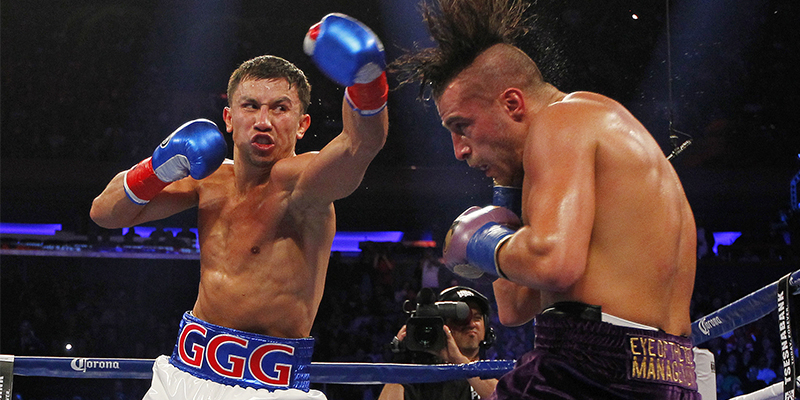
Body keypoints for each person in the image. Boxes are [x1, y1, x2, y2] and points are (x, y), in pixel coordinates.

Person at [390, 0, 700, 398]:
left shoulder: (561, 119)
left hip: (592, 370)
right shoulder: (596, 134)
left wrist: (479, 241)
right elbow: (515, 309)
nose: (459, 150)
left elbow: (553, 263)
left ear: (512, 103)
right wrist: (505, 198)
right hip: (663, 371)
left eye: (461, 126)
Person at [90, 13, 388, 399]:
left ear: (302, 124)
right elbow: (107, 213)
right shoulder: (208, 179)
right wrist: (157, 168)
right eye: (251, 106)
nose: (263, 121)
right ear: (229, 118)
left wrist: (367, 82)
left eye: (280, 108)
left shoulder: (302, 185)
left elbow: (359, 145)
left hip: (267, 386)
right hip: (184, 374)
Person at [379, 286, 498, 400]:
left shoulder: (500, 371)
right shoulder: (424, 378)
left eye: (477, 318)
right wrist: (400, 364)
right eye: (461, 319)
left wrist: (460, 361)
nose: (471, 324)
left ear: (486, 327)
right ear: (443, 327)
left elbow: (505, 396)